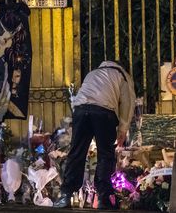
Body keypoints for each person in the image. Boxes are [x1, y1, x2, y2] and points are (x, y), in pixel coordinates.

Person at [53, 60, 136, 209]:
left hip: (81, 110)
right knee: (105, 154)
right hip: (103, 113)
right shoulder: (122, 75)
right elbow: (127, 104)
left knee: (76, 153)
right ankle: (104, 197)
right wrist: (123, 130)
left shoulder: (93, 73)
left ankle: (65, 194)